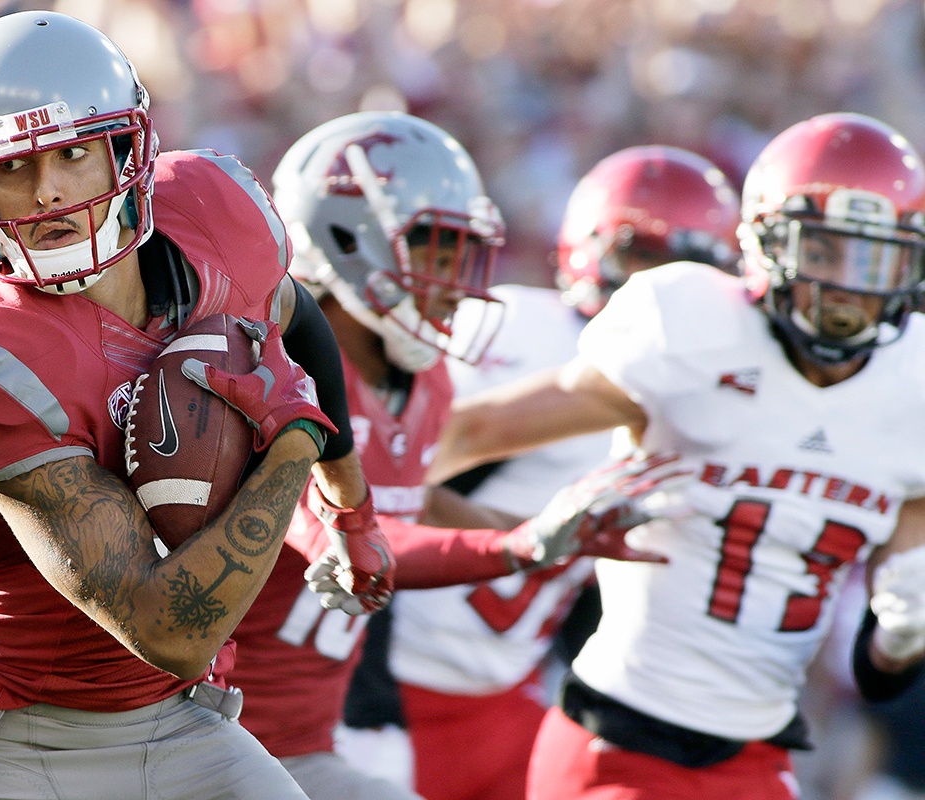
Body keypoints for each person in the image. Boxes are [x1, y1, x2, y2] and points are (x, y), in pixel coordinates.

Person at [0, 11, 391, 800]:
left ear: (128, 149)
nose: (45, 191)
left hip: (175, 716)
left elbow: (299, 317)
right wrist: (294, 441)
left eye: (73, 153)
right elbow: (170, 630)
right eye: (10, 169)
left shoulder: (216, 213)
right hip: (17, 735)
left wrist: (353, 512)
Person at [429, 111, 925, 800]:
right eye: (824, 252)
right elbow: (464, 434)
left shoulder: (912, 390)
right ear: (764, 243)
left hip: (758, 756)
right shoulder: (691, 326)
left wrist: (903, 637)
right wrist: (350, 505)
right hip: (618, 739)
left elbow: (881, 670)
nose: (850, 287)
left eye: (875, 259)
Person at [225, 111, 680, 800]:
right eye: (435, 252)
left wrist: (543, 532)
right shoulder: (285, 368)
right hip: (219, 726)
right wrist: (519, 546)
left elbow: (402, 497)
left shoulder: (425, 379)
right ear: (349, 239)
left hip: (309, 737)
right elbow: (345, 537)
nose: (455, 281)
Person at [392, 145, 742, 800]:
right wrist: (521, 542)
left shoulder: (710, 391)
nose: (661, 291)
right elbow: (390, 468)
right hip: (385, 670)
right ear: (589, 251)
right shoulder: (525, 330)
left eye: (686, 270)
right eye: (642, 259)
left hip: (506, 693)